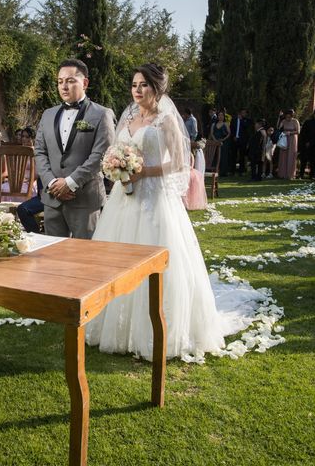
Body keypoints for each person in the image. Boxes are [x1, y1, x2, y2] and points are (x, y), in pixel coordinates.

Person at [86, 63, 266, 362]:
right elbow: (114, 150)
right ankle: (115, 327)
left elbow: (180, 165)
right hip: (123, 199)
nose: (137, 90)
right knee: (116, 258)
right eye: (134, 84)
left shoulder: (166, 120)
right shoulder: (128, 116)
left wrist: (143, 172)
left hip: (154, 199)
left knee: (155, 263)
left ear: (157, 88)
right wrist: (116, 167)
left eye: (143, 84)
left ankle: (156, 330)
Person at [34, 59, 116, 239]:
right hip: (52, 198)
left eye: (70, 81)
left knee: (86, 260)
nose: (64, 86)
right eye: (60, 81)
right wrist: (52, 183)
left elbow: (100, 155)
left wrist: (70, 183)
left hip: (85, 200)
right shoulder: (47, 114)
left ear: (85, 83)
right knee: (53, 258)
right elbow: (39, 152)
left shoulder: (102, 114)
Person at [277, 109, 300, 180]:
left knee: (291, 155)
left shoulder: (295, 121)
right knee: (283, 155)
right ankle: (282, 174)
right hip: (284, 139)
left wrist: (290, 133)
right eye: (287, 117)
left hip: (292, 139)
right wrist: (279, 117)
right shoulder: (284, 121)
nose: (288, 118)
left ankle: (290, 174)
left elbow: (298, 131)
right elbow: (278, 127)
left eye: (289, 117)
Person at [230, 108, 253, 175]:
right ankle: (232, 171)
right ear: (239, 113)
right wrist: (233, 136)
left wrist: (241, 120)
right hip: (234, 140)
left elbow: (246, 127)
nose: (243, 114)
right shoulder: (234, 120)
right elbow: (231, 129)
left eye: (245, 113)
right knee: (233, 155)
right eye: (242, 112)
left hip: (242, 141)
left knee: (242, 156)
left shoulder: (247, 120)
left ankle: (241, 171)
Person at [210, 110, 231, 176]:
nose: (220, 116)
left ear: (223, 116)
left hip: (223, 143)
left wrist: (223, 139)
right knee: (215, 156)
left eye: (222, 115)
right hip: (215, 143)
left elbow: (229, 133)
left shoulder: (226, 124)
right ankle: (216, 171)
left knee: (223, 157)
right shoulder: (214, 124)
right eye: (219, 115)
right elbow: (212, 133)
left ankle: (223, 172)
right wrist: (215, 140)